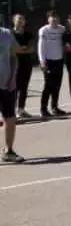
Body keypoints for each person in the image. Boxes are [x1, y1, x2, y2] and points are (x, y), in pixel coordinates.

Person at [0, 27, 24, 162]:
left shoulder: (6, 34)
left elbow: (14, 57)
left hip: (6, 83)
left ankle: (8, 151)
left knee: (9, 118)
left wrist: (13, 78)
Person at [38, 10, 66, 117]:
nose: (54, 19)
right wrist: (42, 62)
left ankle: (55, 107)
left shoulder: (62, 29)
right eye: (52, 17)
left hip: (59, 61)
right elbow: (41, 47)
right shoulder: (44, 30)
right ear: (48, 19)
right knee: (48, 86)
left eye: (56, 17)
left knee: (57, 86)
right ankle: (43, 109)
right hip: (48, 62)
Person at [12, 14, 34, 119]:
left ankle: (21, 109)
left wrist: (20, 49)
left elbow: (32, 48)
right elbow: (12, 49)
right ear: (14, 21)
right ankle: (11, 111)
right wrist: (24, 49)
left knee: (24, 88)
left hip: (27, 64)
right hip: (14, 65)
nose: (21, 21)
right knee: (14, 88)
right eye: (18, 19)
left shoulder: (28, 34)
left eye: (23, 19)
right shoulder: (10, 34)